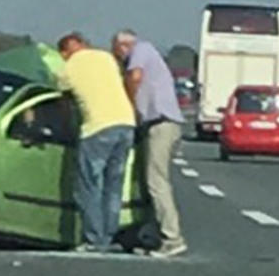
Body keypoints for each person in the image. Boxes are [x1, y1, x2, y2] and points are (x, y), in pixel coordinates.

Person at [57, 33, 137, 253]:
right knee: (113, 186)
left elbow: (64, 105)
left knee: (90, 186)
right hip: (126, 123)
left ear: (65, 52)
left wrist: (68, 129)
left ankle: (93, 238)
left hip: (97, 128)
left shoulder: (67, 68)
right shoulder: (106, 57)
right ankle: (109, 237)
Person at [113, 29, 188, 257]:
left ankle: (172, 237)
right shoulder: (146, 53)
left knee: (156, 181)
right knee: (147, 182)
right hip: (154, 123)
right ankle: (153, 234)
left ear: (123, 45)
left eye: (116, 52)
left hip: (161, 123)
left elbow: (135, 77)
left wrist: (129, 105)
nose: (118, 58)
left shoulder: (141, 50)